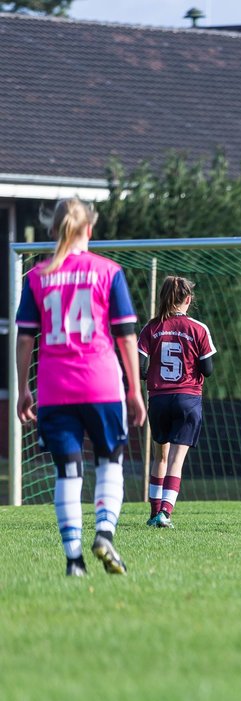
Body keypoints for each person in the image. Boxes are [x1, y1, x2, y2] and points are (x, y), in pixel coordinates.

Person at [14, 198, 145, 576]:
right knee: (110, 463)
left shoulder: (37, 277)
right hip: (102, 385)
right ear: (90, 229)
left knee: (67, 473)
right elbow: (125, 336)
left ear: (53, 231)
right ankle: (105, 533)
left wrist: (24, 388)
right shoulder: (108, 272)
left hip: (55, 390)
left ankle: (74, 561)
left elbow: (25, 339)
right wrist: (134, 390)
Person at [137, 276, 217, 528]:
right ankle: (166, 513)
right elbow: (208, 368)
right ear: (188, 299)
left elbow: (140, 368)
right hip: (187, 398)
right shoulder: (199, 328)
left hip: (159, 399)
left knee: (160, 457)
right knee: (176, 459)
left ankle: (153, 512)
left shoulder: (150, 328)